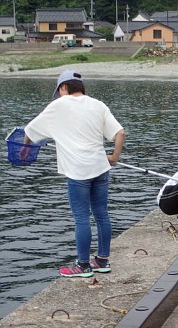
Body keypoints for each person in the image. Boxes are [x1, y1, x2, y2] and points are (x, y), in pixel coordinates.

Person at [23, 69, 126, 278]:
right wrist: (114, 157)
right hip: (100, 167)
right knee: (101, 214)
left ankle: (82, 265)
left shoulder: (59, 104)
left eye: (60, 90)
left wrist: (25, 149)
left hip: (78, 171)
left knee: (81, 218)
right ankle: (102, 260)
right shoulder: (98, 104)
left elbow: (29, 131)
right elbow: (120, 132)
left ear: (64, 87)